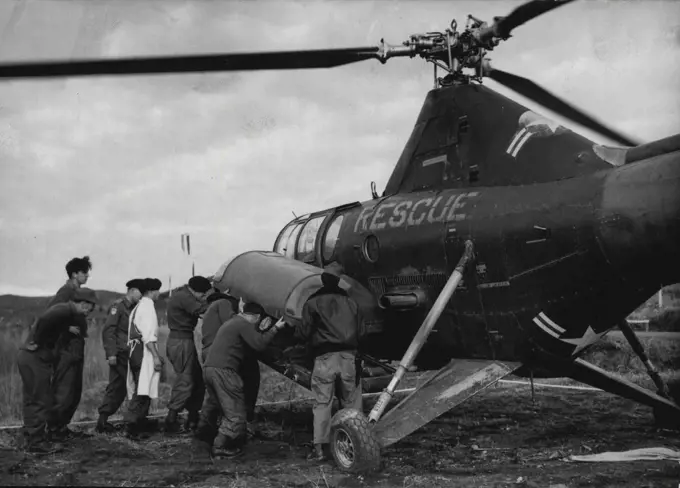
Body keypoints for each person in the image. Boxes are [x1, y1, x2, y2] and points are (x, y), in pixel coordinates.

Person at [193, 302, 287, 458]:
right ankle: (220, 447)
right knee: (236, 412)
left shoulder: (232, 322)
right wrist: (275, 328)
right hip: (224, 371)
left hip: (210, 368)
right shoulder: (243, 324)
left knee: (214, 405)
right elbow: (259, 344)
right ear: (256, 317)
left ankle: (203, 437)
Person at [295, 272, 366, 462]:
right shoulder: (352, 303)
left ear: (322, 282)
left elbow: (303, 333)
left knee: (322, 403)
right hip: (349, 357)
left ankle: (319, 450)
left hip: (325, 357)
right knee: (351, 401)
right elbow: (362, 331)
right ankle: (356, 445)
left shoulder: (313, 303)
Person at [17, 288, 97, 452]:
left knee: (33, 398)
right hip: (34, 357)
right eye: (90, 307)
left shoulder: (64, 311)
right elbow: (44, 320)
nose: (90, 311)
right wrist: (37, 342)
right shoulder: (63, 310)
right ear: (83, 304)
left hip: (33, 357)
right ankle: (36, 443)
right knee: (39, 399)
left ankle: (30, 436)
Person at [48, 256, 93, 440]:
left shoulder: (76, 293)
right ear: (74, 274)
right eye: (84, 272)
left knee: (73, 391)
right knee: (64, 390)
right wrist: (66, 328)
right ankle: (52, 431)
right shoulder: (65, 292)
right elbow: (49, 317)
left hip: (75, 347)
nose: (87, 275)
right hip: (66, 348)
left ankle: (61, 428)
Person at [164, 275, 214, 433]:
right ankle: (171, 420)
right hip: (181, 342)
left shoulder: (182, 294)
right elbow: (202, 309)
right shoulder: (185, 297)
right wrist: (219, 300)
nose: (202, 298)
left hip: (182, 340)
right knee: (186, 381)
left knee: (197, 380)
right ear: (197, 291)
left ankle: (192, 418)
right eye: (203, 295)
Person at [95, 279, 144, 433]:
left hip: (130, 353)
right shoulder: (118, 306)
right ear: (132, 290)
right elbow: (108, 330)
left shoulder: (136, 308)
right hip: (121, 354)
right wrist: (111, 354)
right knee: (128, 386)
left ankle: (102, 422)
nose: (141, 296)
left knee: (118, 387)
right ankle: (132, 424)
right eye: (140, 292)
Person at [123, 278, 164, 439]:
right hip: (142, 352)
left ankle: (139, 423)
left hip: (137, 351)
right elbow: (148, 337)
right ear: (152, 291)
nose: (159, 294)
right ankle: (131, 427)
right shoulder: (147, 307)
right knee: (141, 390)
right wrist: (155, 357)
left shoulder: (140, 306)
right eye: (158, 291)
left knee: (143, 389)